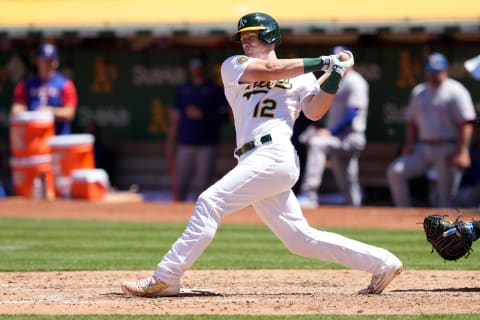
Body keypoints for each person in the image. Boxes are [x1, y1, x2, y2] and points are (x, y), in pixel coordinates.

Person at [121, 12, 402, 297]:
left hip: (274, 152)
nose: (245, 41)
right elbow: (271, 70)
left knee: (210, 201)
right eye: (243, 36)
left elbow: (315, 111)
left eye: (252, 35)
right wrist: (324, 62)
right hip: (252, 157)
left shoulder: (302, 78)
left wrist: (336, 75)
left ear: (270, 36)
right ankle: (383, 262)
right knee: (300, 239)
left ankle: (167, 275)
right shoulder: (234, 65)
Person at [387, 52, 476, 208]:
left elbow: (466, 123)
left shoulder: (456, 91)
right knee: (396, 172)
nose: (434, 74)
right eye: (431, 71)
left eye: (437, 70)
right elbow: (411, 121)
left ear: (445, 70)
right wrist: (410, 144)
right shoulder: (419, 92)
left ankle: (445, 228)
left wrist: (462, 151)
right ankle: (402, 214)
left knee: (445, 198)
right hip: (423, 147)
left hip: (447, 147)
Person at [297, 46, 369, 208]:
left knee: (317, 144)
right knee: (348, 181)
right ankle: (356, 209)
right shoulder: (337, 80)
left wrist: (330, 131)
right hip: (337, 137)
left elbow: (353, 112)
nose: (338, 62)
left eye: (341, 59)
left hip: (350, 136)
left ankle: (309, 194)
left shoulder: (355, 81)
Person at [165, 54, 230, 201]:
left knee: (203, 185)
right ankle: (175, 217)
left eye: (199, 64)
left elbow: (225, 116)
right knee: (180, 184)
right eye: (193, 64)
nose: (196, 68)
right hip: (185, 143)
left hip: (207, 144)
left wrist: (204, 115)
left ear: (205, 67)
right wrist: (170, 141)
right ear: (190, 67)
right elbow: (176, 118)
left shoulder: (214, 89)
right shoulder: (184, 89)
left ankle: (200, 217)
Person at [11, 43, 78, 135]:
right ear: (37, 61)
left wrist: (50, 111)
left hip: (57, 139)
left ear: (56, 62)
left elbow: (70, 113)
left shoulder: (65, 84)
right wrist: (21, 111)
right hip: (33, 138)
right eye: (44, 60)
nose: (47, 64)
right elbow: (18, 107)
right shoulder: (25, 85)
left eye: (50, 60)